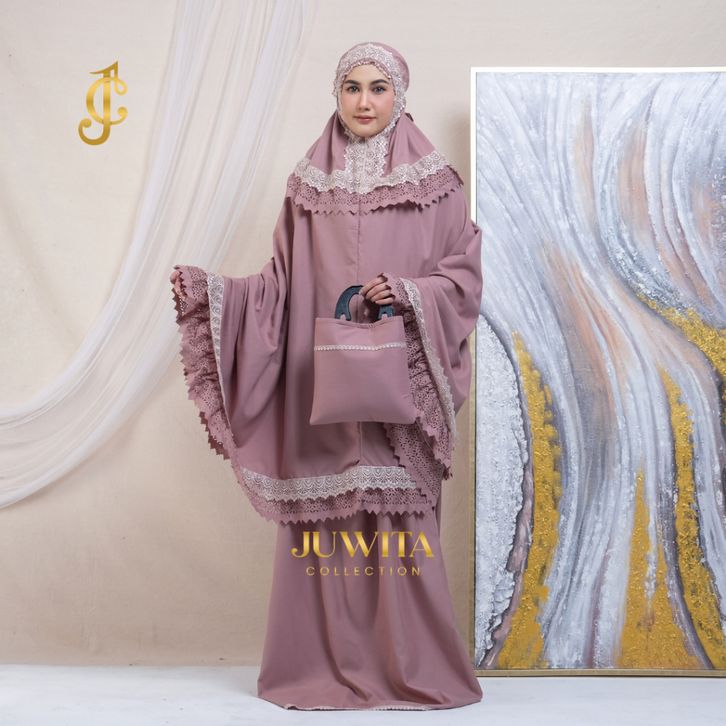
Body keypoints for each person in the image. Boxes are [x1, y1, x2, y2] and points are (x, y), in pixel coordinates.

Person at [170, 41, 483, 710]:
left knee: (400, 527)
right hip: (323, 383)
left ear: (400, 96)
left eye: (378, 88)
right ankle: (319, 668)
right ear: (336, 95)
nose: (364, 102)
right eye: (352, 87)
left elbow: (463, 277)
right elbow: (281, 285)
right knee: (326, 522)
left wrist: (411, 292)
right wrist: (218, 296)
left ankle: (410, 670)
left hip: (398, 387)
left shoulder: (438, 185)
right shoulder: (307, 187)